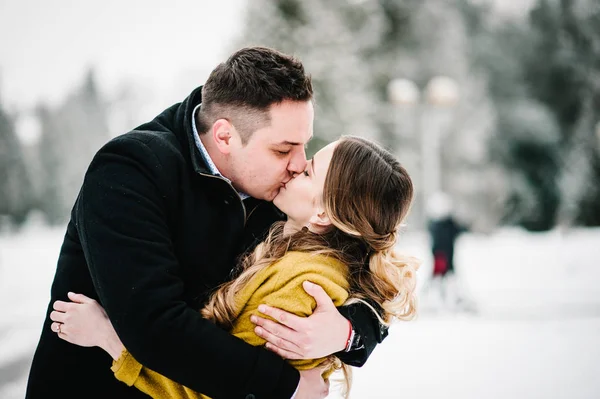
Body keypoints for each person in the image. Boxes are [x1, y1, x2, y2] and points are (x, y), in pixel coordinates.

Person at [26, 47, 386, 399]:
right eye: (283, 149)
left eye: (303, 147)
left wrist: (347, 333)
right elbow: (155, 326)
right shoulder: (129, 171)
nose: (297, 164)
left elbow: (362, 254)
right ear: (225, 136)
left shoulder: (278, 189)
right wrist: (285, 387)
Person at [51, 136, 420, 399]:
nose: (294, 166)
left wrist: (106, 338)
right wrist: (349, 334)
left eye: (307, 171)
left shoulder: (300, 285)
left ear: (324, 212)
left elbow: (208, 389)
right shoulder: (289, 234)